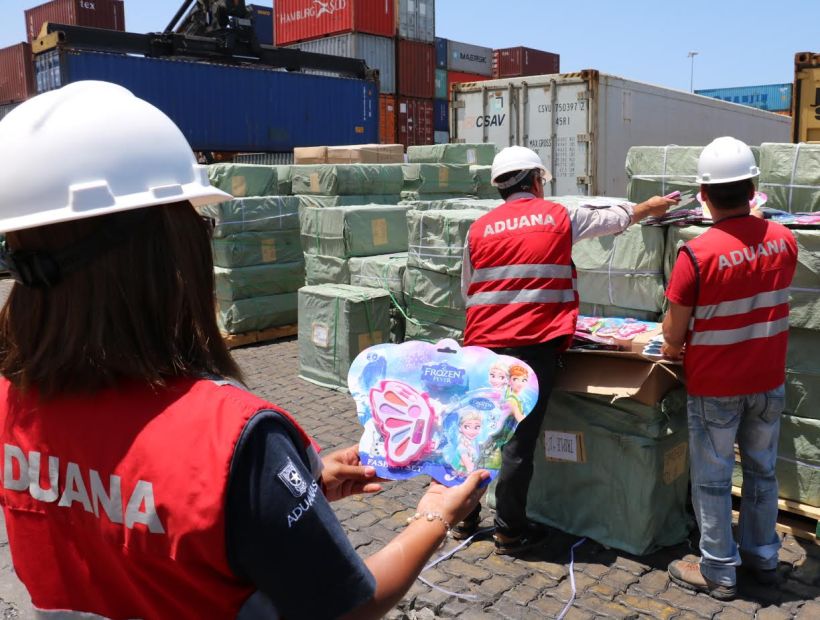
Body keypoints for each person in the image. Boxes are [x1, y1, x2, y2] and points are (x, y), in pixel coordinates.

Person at [0, 81, 489, 620]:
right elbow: (348, 605)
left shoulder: (11, 404)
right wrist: (436, 516)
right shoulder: (231, 439)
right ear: (163, 250)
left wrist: (282, 496)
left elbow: (142, 523)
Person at [454, 145, 677, 554]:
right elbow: (614, 219)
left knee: (480, 434)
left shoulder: (478, 228)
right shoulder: (558, 215)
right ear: (536, 181)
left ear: (501, 186)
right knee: (518, 441)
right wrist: (649, 207)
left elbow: (468, 287)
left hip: (483, 345)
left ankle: (463, 517)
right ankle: (509, 531)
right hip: (533, 346)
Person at [663, 137, 797, 600]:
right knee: (762, 473)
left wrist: (670, 349)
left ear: (702, 194)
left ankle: (719, 569)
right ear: (754, 187)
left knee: (714, 478)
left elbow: (674, 334)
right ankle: (763, 555)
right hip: (767, 382)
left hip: (715, 387)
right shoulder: (784, 241)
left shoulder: (696, 254)